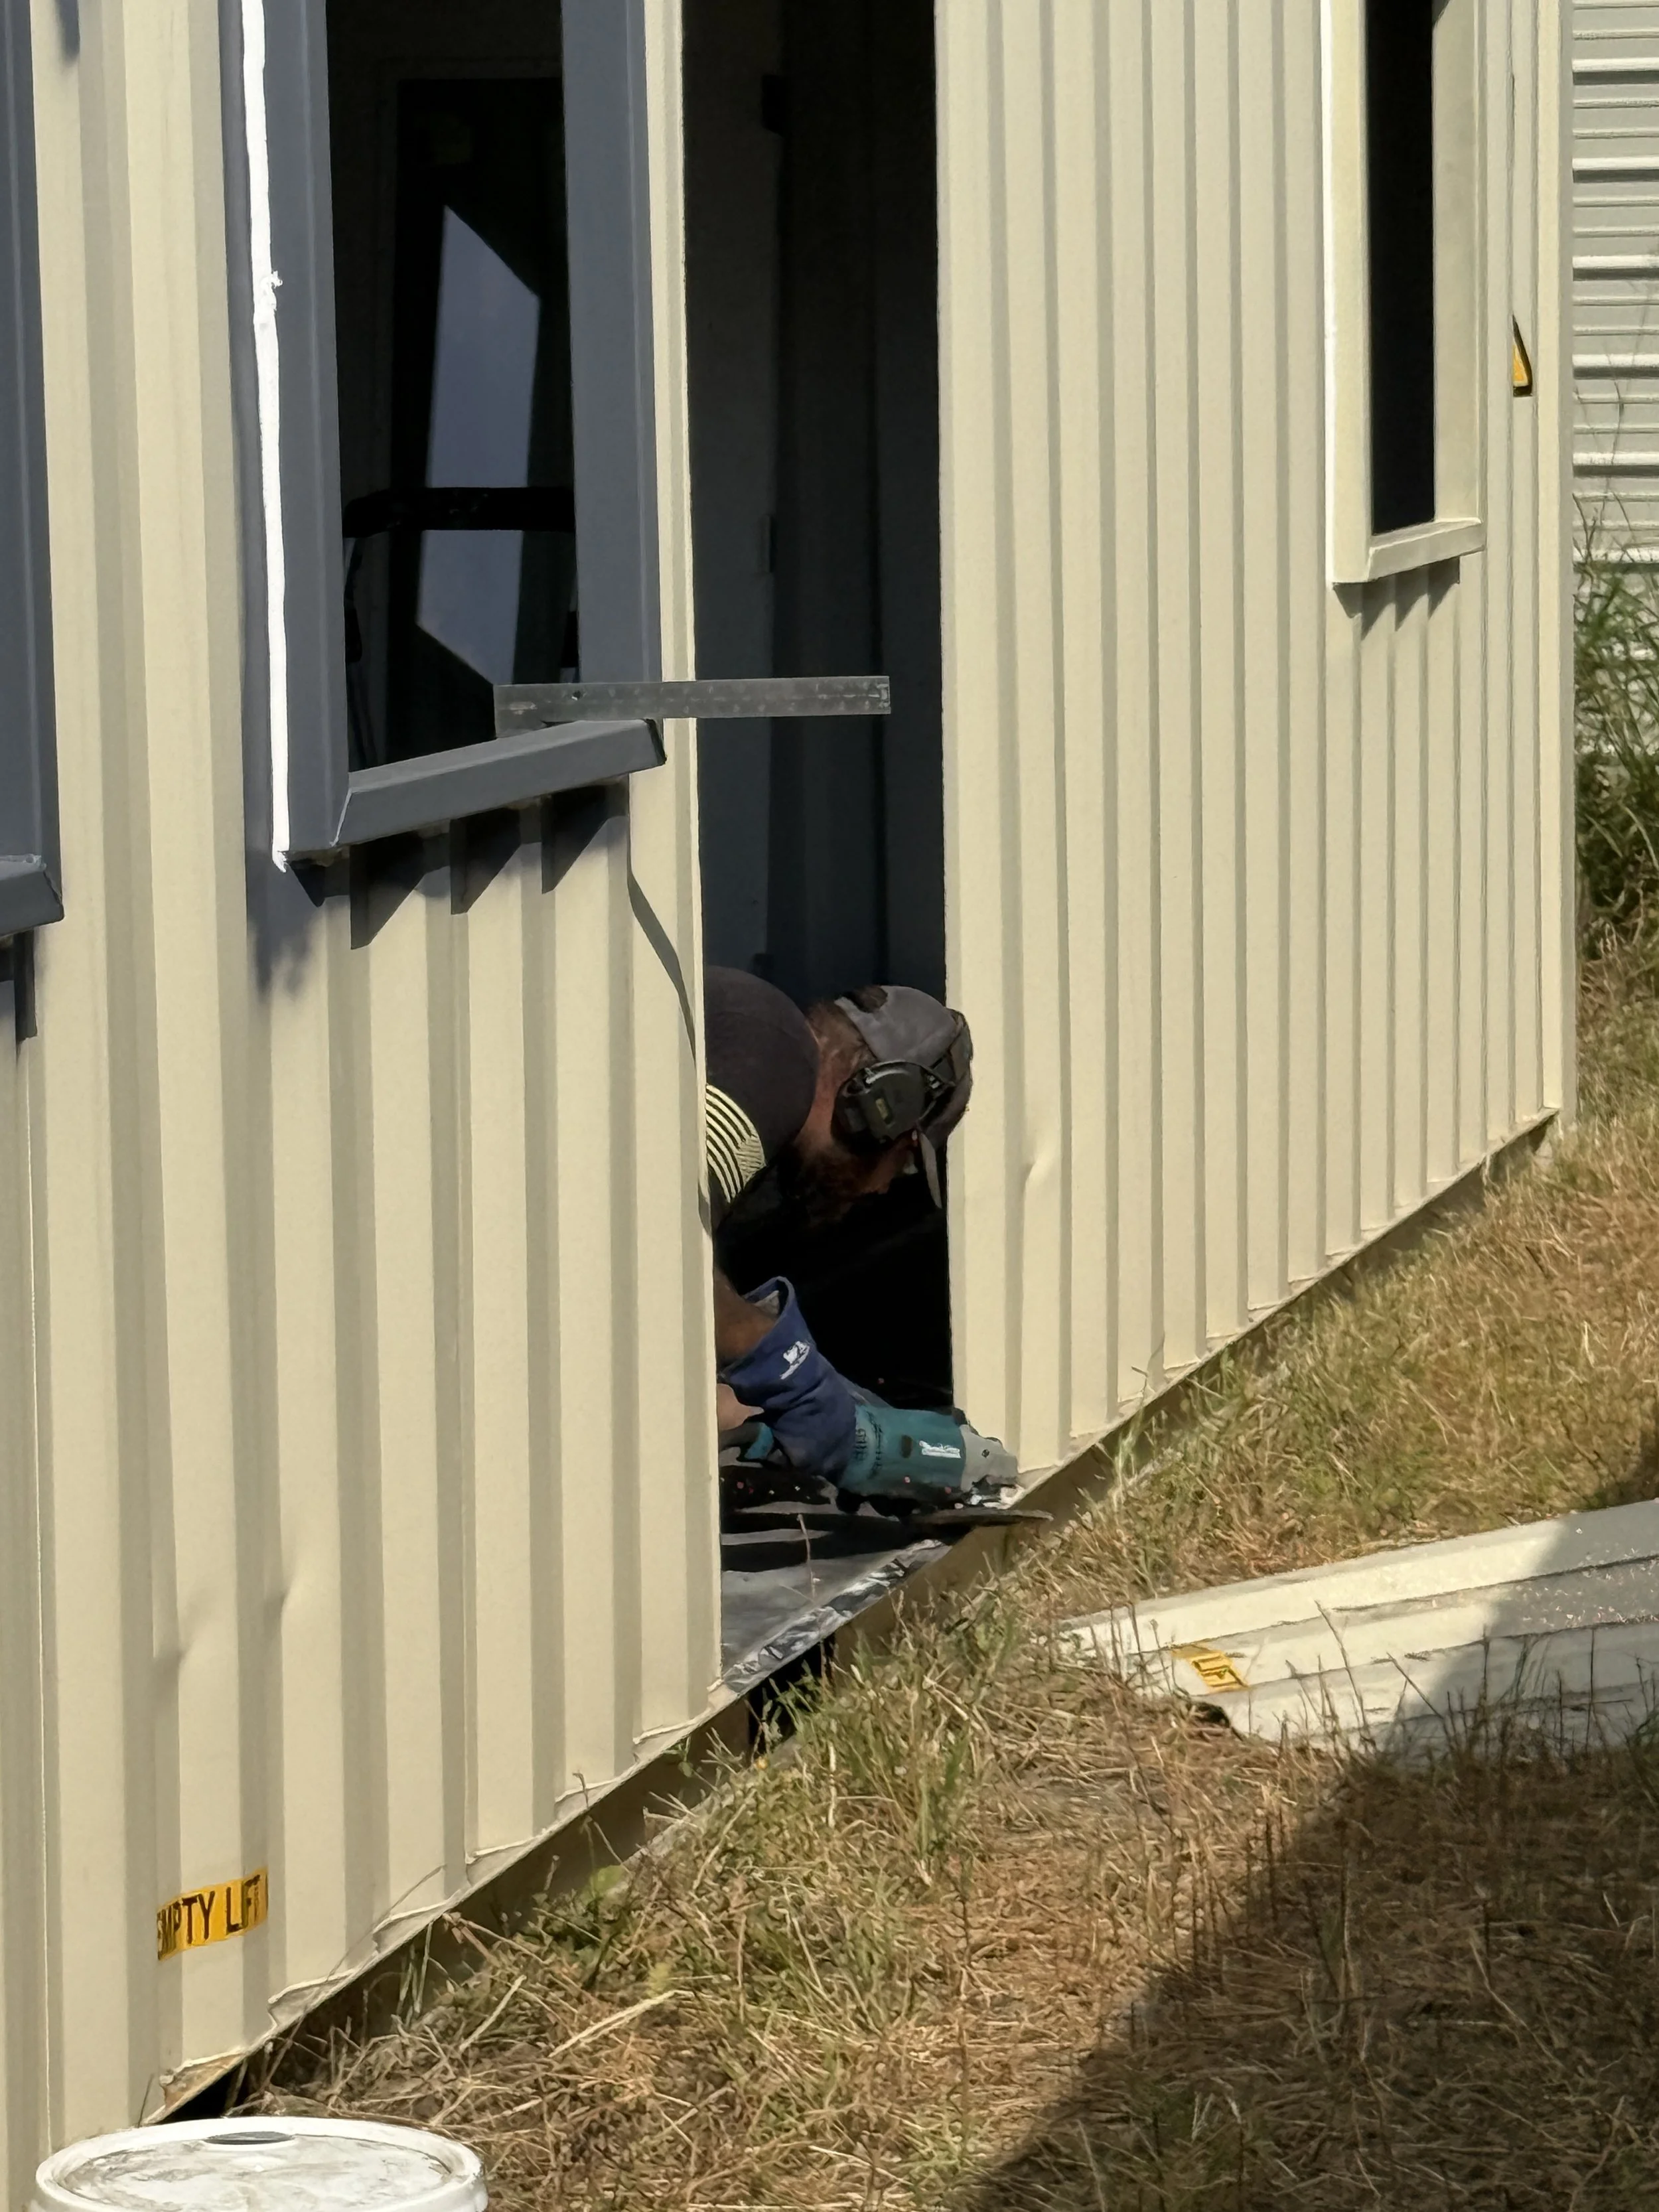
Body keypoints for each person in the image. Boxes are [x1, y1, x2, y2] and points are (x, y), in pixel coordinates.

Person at [705, 965, 973, 1481]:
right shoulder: (776, 1062)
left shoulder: (755, 1053)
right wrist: (789, 1374)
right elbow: (654, 1242)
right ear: (880, 1107)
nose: (882, 1187)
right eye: (906, 1160)